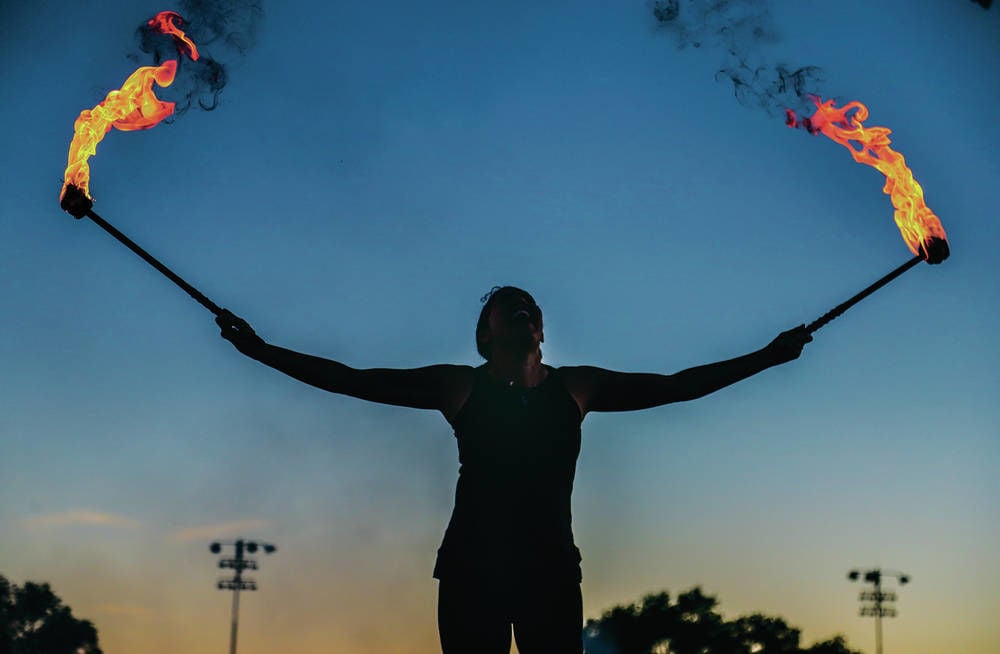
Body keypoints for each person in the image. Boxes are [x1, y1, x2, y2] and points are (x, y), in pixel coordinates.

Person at [215, 285, 812, 654]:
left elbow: (678, 387)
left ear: (541, 332)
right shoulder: (458, 387)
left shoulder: (577, 387)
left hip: (551, 573)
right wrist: (261, 350)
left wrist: (768, 356)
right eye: (510, 307)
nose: (524, 309)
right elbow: (353, 380)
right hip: (472, 570)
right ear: (487, 334)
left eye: (531, 307)